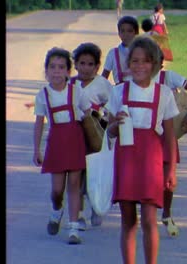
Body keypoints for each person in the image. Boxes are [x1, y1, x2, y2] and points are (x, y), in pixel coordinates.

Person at [105, 36, 179, 264]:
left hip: (151, 161)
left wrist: (171, 170)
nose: (139, 66)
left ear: (155, 64)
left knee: (149, 219)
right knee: (128, 221)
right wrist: (116, 124)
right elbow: (109, 131)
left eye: (145, 61)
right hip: (126, 160)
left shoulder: (164, 94)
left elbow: (169, 136)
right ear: (128, 64)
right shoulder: (118, 92)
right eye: (135, 61)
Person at [33, 47, 92, 245]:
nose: (57, 71)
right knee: (57, 190)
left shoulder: (76, 91)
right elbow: (39, 123)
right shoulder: (43, 95)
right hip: (56, 143)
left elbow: (88, 112)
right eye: (52, 67)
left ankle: (74, 228)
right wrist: (36, 150)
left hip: (75, 141)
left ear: (68, 71)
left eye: (61, 67)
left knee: (74, 184)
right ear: (46, 71)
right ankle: (57, 210)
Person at [153, 49, 187, 237]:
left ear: (161, 63)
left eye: (154, 60)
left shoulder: (168, 77)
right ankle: (148, 213)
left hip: (167, 133)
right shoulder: (136, 83)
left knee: (168, 178)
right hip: (146, 135)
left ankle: (166, 213)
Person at [71, 42, 113, 229]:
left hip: (96, 131)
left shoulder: (103, 84)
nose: (86, 68)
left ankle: (96, 206)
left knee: (93, 172)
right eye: (82, 63)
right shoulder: (70, 84)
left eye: (90, 64)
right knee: (76, 174)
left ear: (97, 67)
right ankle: (78, 214)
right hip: (74, 134)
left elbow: (112, 106)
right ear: (76, 65)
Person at [101, 16, 139, 85]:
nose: (126, 34)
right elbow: (104, 76)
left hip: (139, 91)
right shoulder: (113, 53)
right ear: (119, 33)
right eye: (122, 31)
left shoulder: (142, 53)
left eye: (130, 31)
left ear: (136, 33)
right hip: (119, 92)